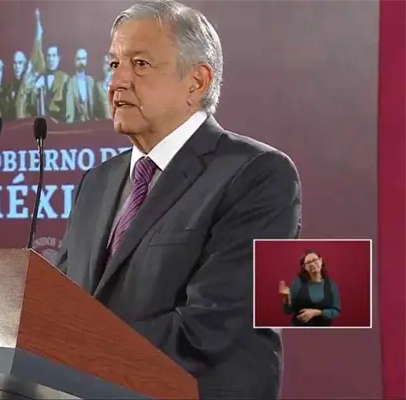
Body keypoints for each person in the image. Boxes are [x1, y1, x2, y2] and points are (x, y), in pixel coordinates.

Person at [55, 0, 301, 398]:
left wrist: (77, 351)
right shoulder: (97, 182)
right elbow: (64, 304)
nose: (117, 82)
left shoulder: (258, 174)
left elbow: (210, 326)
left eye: (140, 64)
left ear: (197, 82)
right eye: (114, 64)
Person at [279, 250, 341, 327]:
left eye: (314, 260)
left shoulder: (332, 285)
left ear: (320, 260)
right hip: (299, 329)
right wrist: (286, 298)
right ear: (304, 267)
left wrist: (316, 312)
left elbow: (336, 312)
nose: (312, 264)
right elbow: (288, 311)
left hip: (322, 330)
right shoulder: (298, 282)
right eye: (308, 262)